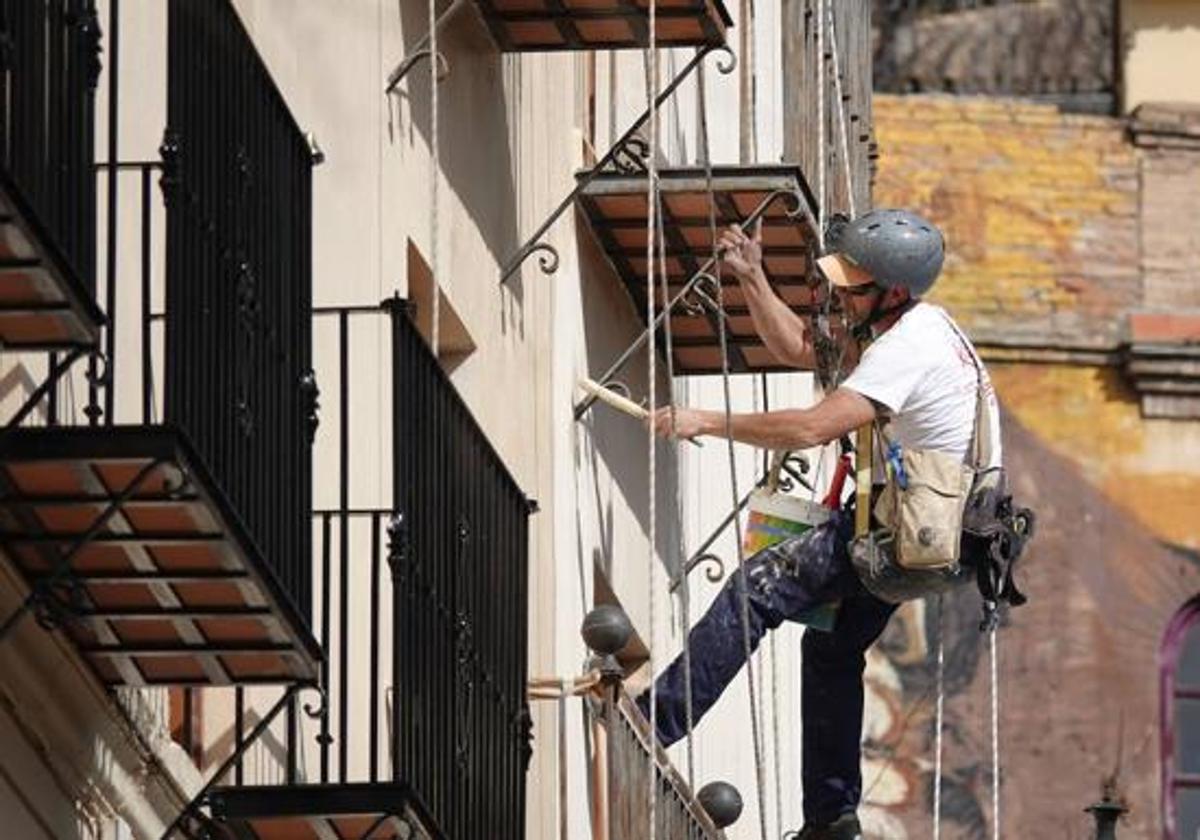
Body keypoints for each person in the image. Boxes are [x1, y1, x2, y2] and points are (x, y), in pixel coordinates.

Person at [636, 209, 1003, 840]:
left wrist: (705, 420)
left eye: (851, 286)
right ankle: (831, 821)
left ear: (890, 293)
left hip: (898, 535)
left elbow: (812, 428)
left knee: (760, 585)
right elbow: (801, 349)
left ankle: (654, 721)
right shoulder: (910, 331)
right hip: (937, 538)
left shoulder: (909, 346)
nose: (838, 293)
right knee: (831, 648)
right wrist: (751, 275)